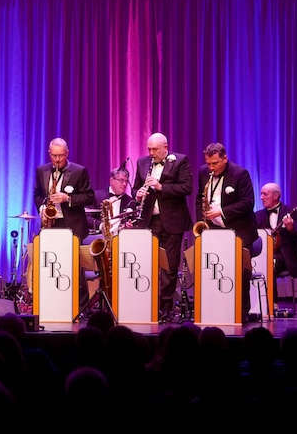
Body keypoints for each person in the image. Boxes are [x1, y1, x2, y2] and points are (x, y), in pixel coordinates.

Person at [132, 132, 193, 322]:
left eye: (155, 149)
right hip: (149, 220)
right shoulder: (143, 162)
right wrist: (138, 194)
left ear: (165, 147)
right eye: (149, 149)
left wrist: (160, 187)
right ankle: (148, 305)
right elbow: (135, 187)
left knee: (169, 266)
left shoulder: (180, 160)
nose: (151, 153)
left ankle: (165, 308)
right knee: (148, 264)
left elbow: (186, 188)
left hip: (172, 221)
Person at [195, 142, 258, 320]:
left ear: (225, 158)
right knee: (214, 270)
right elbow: (199, 198)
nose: (211, 167)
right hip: (213, 230)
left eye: (215, 163)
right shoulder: (203, 172)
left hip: (240, 231)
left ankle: (241, 312)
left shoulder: (240, 174)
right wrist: (201, 221)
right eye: (208, 163)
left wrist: (221, 211)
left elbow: (248, 203)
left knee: (241, 273)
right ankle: (216, 309)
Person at [34, 138, 95, 305]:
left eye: (61, 155)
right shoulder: (41, 170)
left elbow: (89, 197)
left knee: (75, 266)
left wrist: (67, 198)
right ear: (49, 154)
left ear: (67, 154)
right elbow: (38, 194)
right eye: (54, 156)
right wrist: (42, 209)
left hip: (72, 225)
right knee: (52, 264)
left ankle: (81, 306)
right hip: (51, 224)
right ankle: (55, 302)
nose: (57, 160)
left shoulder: (79, 171)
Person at [255, 183, 297, 303]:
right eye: (261, 194)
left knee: (269, 265)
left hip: (286, 257)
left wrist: (291, 228)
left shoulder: (291, 212)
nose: (261, 197)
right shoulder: (258, 215)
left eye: (265, 194)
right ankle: (255, 304)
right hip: (264, 255)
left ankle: (272, 303)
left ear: (276, 195)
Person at [94, 166, 135, 234]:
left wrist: (128, 225)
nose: (124, 184)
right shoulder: (97, 196)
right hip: (99, 236)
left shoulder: (130, 201)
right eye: (121, 180)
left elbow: (132, 220)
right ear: (111, 180)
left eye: (126, 181)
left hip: (121, 238)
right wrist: (101, 226)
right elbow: (87, 217)